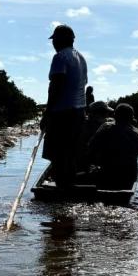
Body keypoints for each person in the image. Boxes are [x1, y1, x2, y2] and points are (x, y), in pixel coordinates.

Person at [40, 24, 88, 188]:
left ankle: (61, 188)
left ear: (61, 40)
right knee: (71, 154)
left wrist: (47, 114)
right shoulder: (81, 58)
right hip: (79, 113)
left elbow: (56, 86)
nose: (53, 44)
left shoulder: (60, 57)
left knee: (58, 155)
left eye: (55, 40)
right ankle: (69, 187)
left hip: (63, 114)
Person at [87, 103, 138, 190]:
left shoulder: (105, 127)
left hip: (107, 173)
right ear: (131, 118)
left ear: (115, 116)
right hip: (129, 175)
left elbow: (91, 147)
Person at [76, 100, 113, 172]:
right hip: (87, 165)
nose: (107, 115)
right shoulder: (88, 127)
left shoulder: (86, 123)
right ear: (98, 113)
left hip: (88, 163)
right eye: (106, 112)